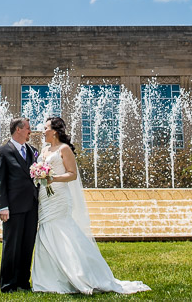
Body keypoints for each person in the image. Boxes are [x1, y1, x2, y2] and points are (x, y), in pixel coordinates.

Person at [32, 116, 150, 295]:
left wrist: (51, 178)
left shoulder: (64, 149)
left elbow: (72, 174)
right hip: (45, 197)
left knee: (61, 230)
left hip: (59, 198)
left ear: (54, 131)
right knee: (45, 231)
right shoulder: (45, 149)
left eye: (46, 127)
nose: (43, 131)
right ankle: (48, 280)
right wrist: (39, 175)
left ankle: (79, 274)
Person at [0, 117, 39, 293]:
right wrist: (3, 206)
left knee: (27, 245)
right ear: (18, 129)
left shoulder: (33, 151)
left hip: (32, 206)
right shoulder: (3, 152)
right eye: (28, 128)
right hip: (13, 208)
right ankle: (8, 284)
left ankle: (23, 282)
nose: (30, 131)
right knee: (11, 246)